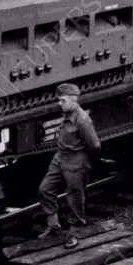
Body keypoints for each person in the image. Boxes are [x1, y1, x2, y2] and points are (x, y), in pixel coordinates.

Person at [38, 83, 101, 248]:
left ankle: (74, 234)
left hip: (75, 160)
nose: (60, 103)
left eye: (63, 100)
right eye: (59, 100)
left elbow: (94, 145)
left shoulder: (82, 120)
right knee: (45, 189)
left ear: (74, 100)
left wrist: (83, 160)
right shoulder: (67, 114)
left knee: (74, 198)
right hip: (60, 158)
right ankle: (53, 226)